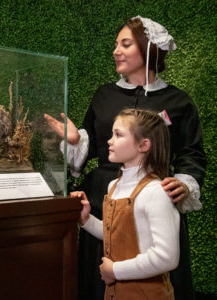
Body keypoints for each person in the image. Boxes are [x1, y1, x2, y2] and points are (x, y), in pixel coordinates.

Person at [44, 16, 206, 300]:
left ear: (149, 49)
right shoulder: (104, 95)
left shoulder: (179, 101)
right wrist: (74, 141)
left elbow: (191, 152)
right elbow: (91, 146)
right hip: (103, 196)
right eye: (115, 44)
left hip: (155, 193)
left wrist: (183, 184)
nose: (116, 51)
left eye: (125, 44)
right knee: (100, 272)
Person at [71, 108, 180, 299]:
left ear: (143, 145)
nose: (109, 141)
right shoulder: (114, 186)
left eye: (118, 135)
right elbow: (116, 235)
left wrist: (115, 270)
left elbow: (167, 257)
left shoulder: (155, 192)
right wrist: (87, 219)